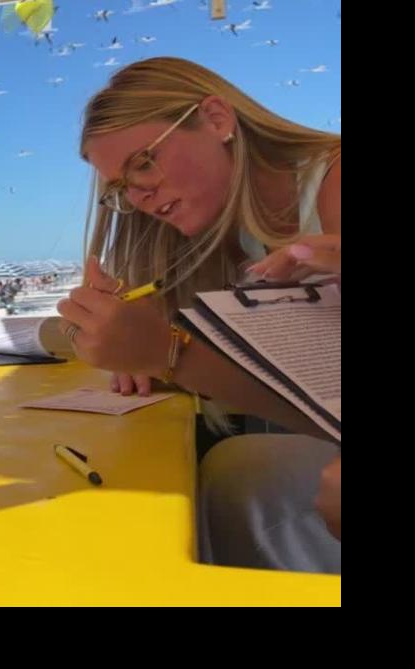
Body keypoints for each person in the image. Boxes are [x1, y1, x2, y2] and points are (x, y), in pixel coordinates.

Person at [56, 57, 341, 573]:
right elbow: (304, 403)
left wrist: (166, 353)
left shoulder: (333, 182)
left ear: (216, 118)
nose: (139, 197)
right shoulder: (218, 235)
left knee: (239, 479)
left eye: (144, 162)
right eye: (121, 188)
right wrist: (139, 348)